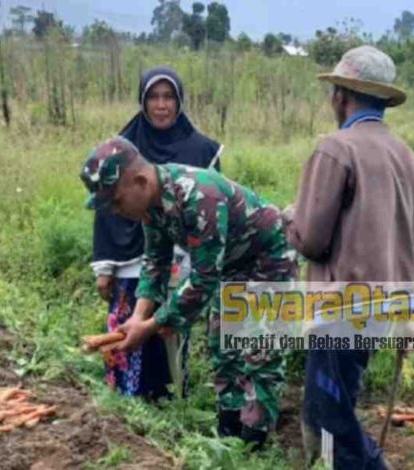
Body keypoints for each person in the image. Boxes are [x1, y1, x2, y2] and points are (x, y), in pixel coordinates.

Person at [80, 137, 297, 447]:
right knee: (224, 348)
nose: (115, 211)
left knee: (259, 352)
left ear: (140, 181)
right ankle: (229, 437)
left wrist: (153, 326)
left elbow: (203, 278)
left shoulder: (198, 196)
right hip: (231, 265)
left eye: (115, 201)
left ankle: (254, 447)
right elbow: (155, 262)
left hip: (270, 259)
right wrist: (138, 317)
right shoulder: (151, 206)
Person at [284, 45, 414, 469]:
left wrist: (290, 218)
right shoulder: (408, 158)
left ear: (341, 95)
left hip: (340, 308)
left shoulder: (336, 149)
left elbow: (310, 240)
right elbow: (413, 244)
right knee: (329, 403)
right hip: (383, 306)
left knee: (332, 415)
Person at [92, 67, 222, 399]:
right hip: (132, 260)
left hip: (185, 260)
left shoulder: (203, 152)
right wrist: (105, 267)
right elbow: (106, 210)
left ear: (179, 102)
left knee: (169, 333)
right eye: (153, 97)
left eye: (168, 97)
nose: (161, 105)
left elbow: (209, 232)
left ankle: (170, 400)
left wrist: (149, 322)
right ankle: (126, 402)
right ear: (142, 101)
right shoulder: (122, 147)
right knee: (127, 330)